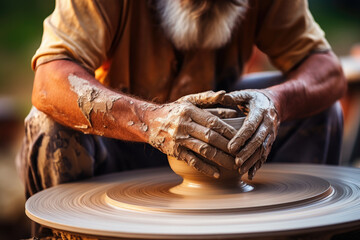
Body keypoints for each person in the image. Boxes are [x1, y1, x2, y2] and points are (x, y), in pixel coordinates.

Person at [18, 0, 346, 227]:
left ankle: (288, 227)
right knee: (49, 125)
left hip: (231, 151)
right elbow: (49, 82)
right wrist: (151, 121)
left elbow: (328, 71)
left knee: (320, 108)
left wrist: (277, 103)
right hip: (120, 142)